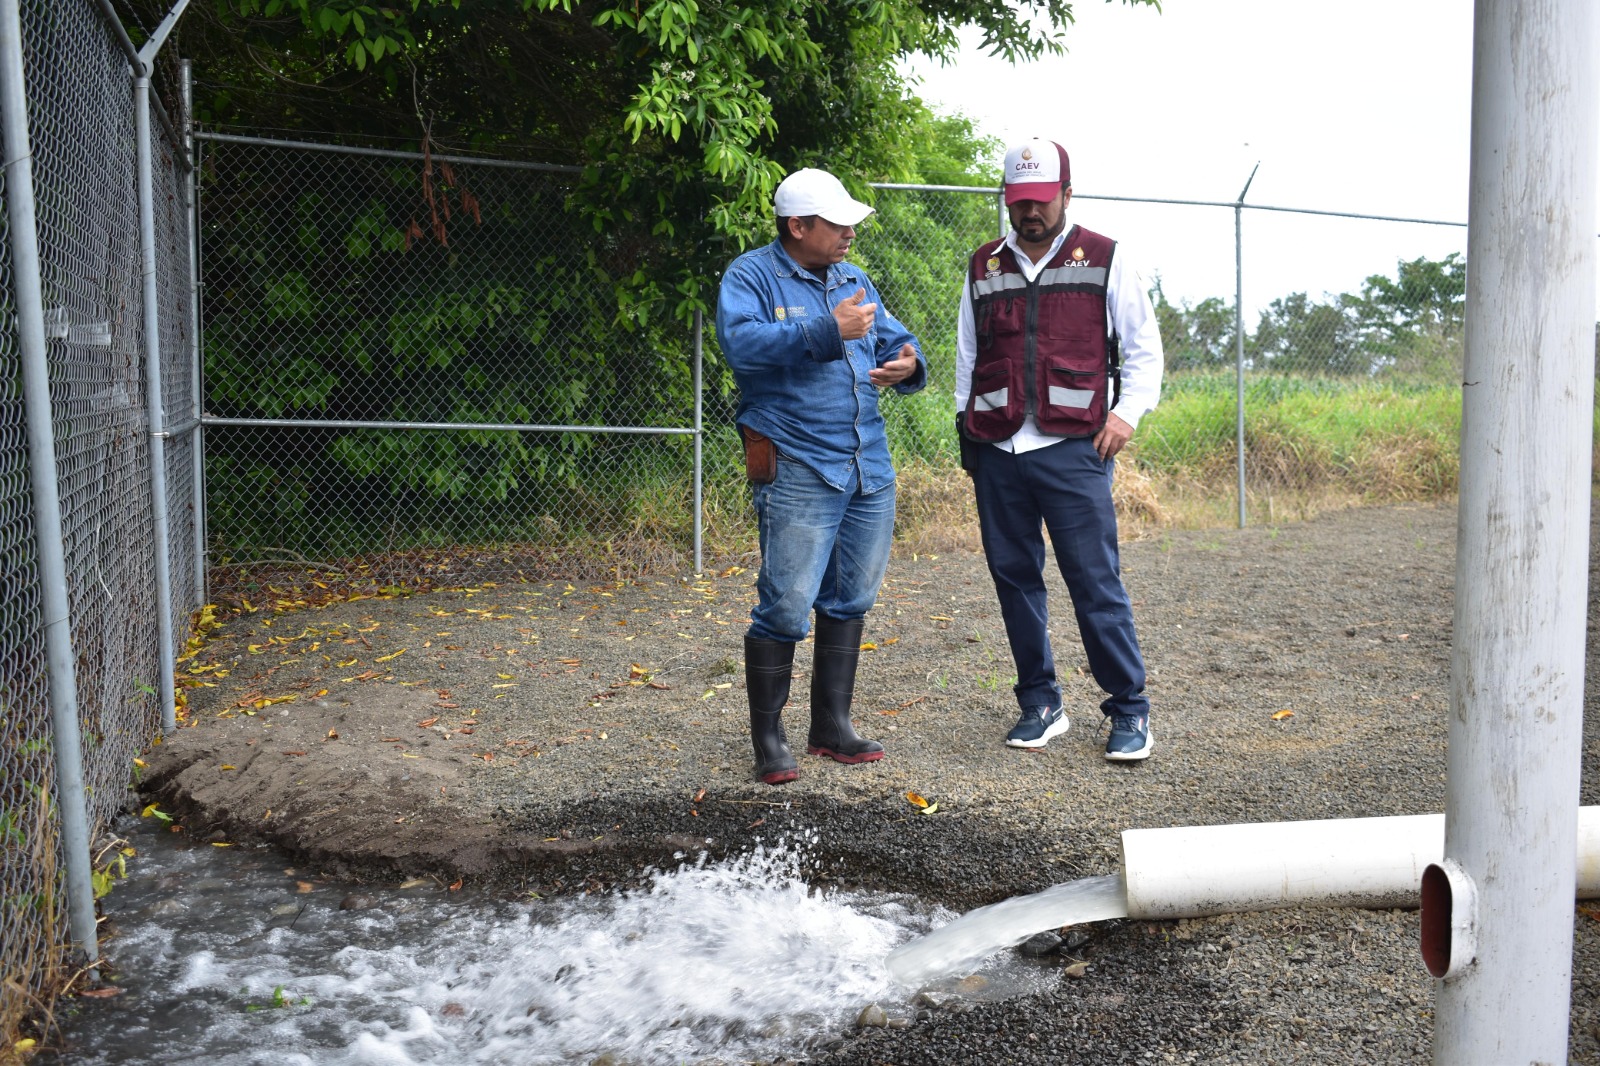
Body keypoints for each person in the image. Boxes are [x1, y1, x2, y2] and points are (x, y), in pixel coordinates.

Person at [715, 167, 927, 785]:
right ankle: (769, 741)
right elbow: (742, 346)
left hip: (868, 461)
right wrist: (826, 330)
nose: (850, 232)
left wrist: (905, 363)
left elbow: (895, 340)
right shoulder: (750, 275)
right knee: (785, 605)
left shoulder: (853, 278)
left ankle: (831, 727)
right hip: (799, 461)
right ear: (798, 225)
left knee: (853, 597)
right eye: (837, 223)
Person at [955, 139, 1163, 761]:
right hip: (997, 450)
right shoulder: (983, 266)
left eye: (1041, 202)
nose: (1029, 215)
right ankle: (1039, 703)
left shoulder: (1105, 258)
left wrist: (1126, 416)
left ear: (1066, 195)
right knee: (1014, 580)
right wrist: (967, 432)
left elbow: (1144, 349)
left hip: (1073, 449)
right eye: (1019, 203)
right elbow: (969, 357)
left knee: (1094, 582)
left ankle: (1130, 710)